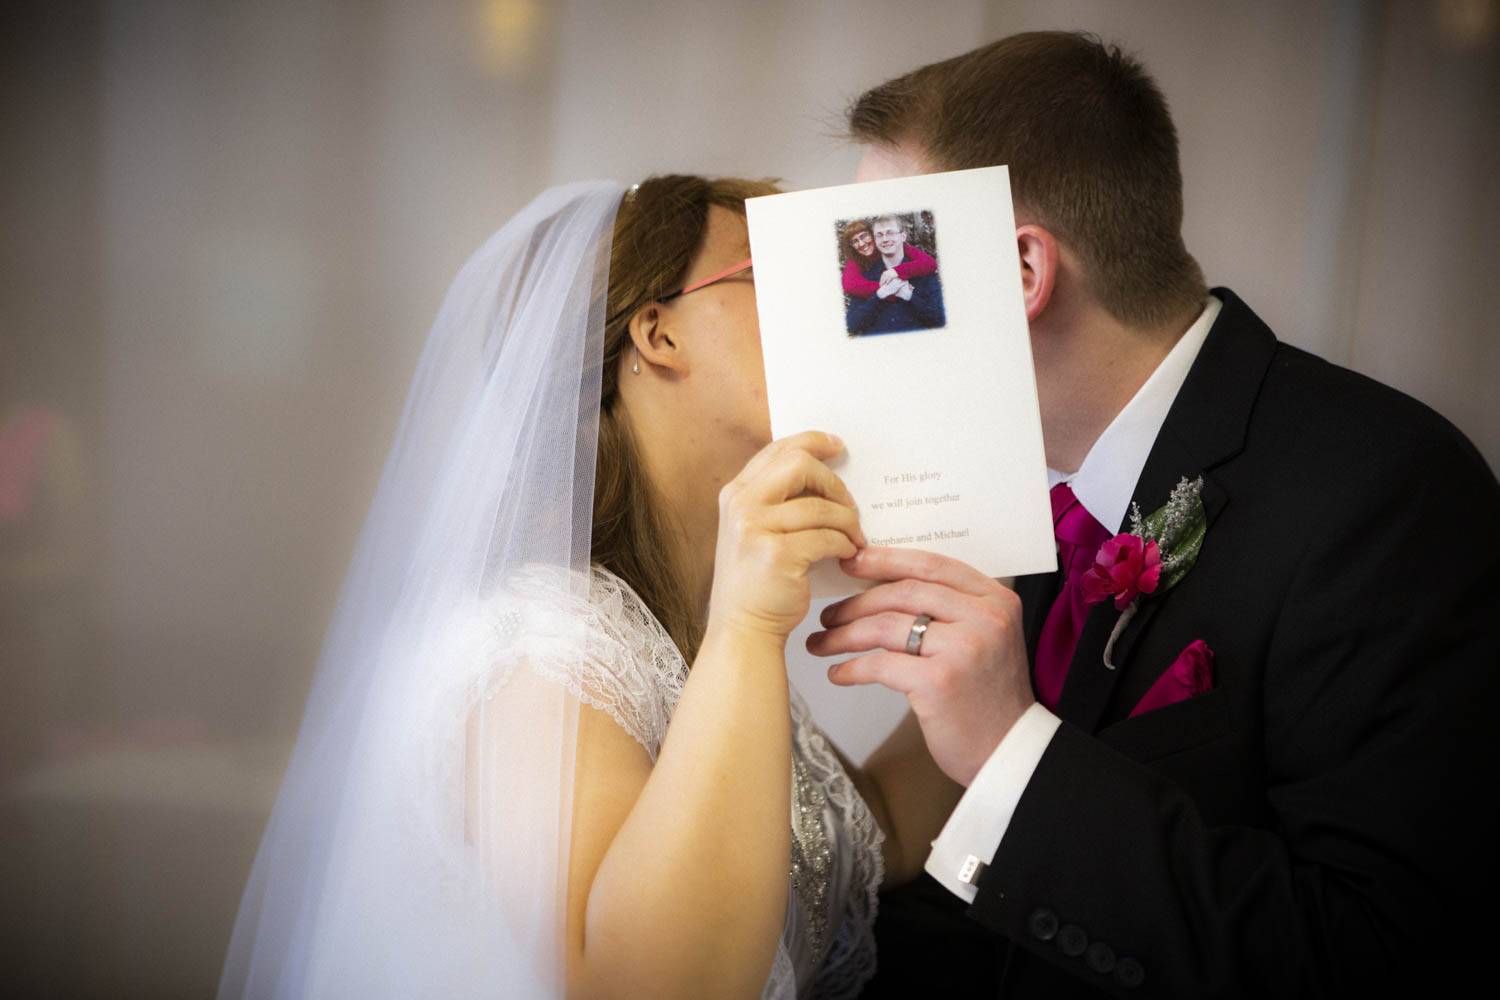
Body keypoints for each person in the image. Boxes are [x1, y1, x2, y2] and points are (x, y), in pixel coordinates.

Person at [804, 31, 1500, 997]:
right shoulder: (1033, 497)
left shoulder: (1388, 495)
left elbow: (1376, 952)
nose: (866, 333)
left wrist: (1010, 754)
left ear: (1020, 274)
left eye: (892, 278)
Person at [216, 174, 962, 1000]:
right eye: (766, 274)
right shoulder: (539, 654)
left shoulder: (672, 632)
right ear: (656, 335)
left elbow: (883, 828)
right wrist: (747, 629)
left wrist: (1014, 569)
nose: (823, 310)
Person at [844, 215, 945, 335]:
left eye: (890, 233)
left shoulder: (922, 272)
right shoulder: (862, 271)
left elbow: (939, 320)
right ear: (876, 239)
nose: (861, 244)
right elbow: (851, 324)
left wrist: (908, 294)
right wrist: (883, 293)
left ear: (903, 236)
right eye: (880, 235)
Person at [839, 219, 937, 300]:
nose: (861, 244)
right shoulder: (855, 259)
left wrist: (896, 271)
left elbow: (930, 263)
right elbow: (850, 285)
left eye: (864, 236)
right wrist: (891, 288)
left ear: (873, 235)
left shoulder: (889, 245)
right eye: (855, 241)